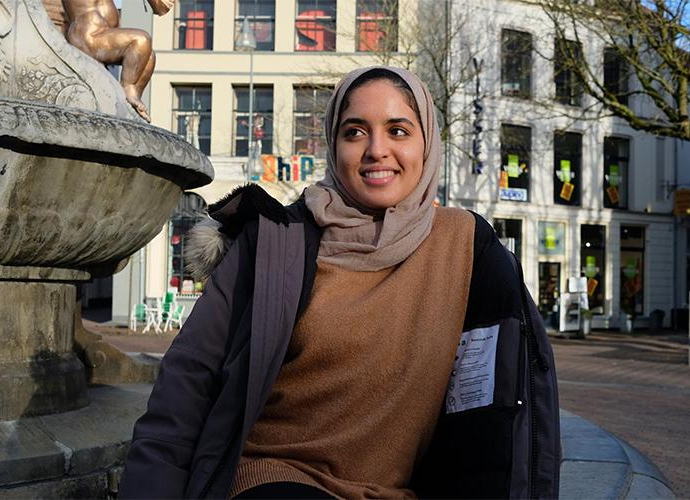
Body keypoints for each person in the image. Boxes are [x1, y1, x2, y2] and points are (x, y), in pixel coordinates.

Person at [119, 66, 560, 499]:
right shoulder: (277, 239)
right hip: (276, 478)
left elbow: (501, 399)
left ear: (427, 144)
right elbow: (189, 381)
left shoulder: (466, 243)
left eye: (399, 131)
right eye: (355, 132)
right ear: (333, 144)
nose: (376, 150)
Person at [62, 0, 173, 122]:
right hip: (88, 36)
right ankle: (127, 89)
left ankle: (133, 99)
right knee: (140, 41)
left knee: (149, 55)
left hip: (102, 33)